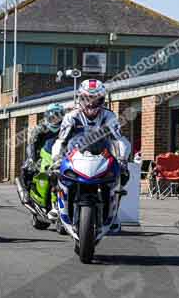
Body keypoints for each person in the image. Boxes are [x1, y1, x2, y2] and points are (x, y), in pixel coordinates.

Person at [50, 79, 131, 220]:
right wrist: (56, 159)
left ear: (102, 100)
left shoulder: (109, 116)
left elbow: (120, 140)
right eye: (87, 98)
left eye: (96, 99)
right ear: (80, 98)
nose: (91, 103)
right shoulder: (71, 116)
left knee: (123, 174)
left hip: (102, 156)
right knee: (54, 173)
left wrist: (123, 159)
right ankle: (57, 205)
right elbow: (61, 141)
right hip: (76, 156)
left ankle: (113, 206)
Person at [16, 103, 64, 205]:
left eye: (58, 115)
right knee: (27, 168)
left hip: (60, 156)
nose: (55, 118)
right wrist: (32, 158)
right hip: (43, 155)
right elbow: (32, 143)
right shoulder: (41, 128)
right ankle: (26, 192)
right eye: (52, 115)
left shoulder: (65, 127)